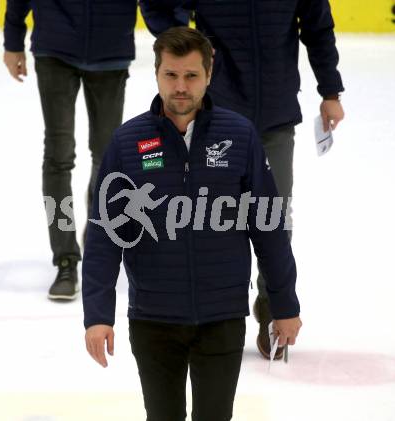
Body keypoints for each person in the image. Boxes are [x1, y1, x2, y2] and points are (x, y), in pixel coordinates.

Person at [83, 27, 302, 421]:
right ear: (156, 74)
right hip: (153, 319)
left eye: (191, 76)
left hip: (222, 316)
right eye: (171, 75)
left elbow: (268, 227)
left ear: (209, 74)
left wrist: (284, 304)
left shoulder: (239, 136)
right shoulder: (128, 143)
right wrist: (98, 315)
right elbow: (103, 235)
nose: (180, 87)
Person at [139, 0, 345, 359]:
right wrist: (187, 42)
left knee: (274, 218)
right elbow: (160, 5)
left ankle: (269, 305)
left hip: (276, 115)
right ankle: (212, 314)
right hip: (218, 114)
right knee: (214, 218)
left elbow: (317, 27)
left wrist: (330, 92)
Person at [3, 0, 137, 300]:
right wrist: (13, 39)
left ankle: (97, 236)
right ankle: (65, 258)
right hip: (55, 49)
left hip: (111, 50)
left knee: (107, 158)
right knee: (58, 157)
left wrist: (173, 37)